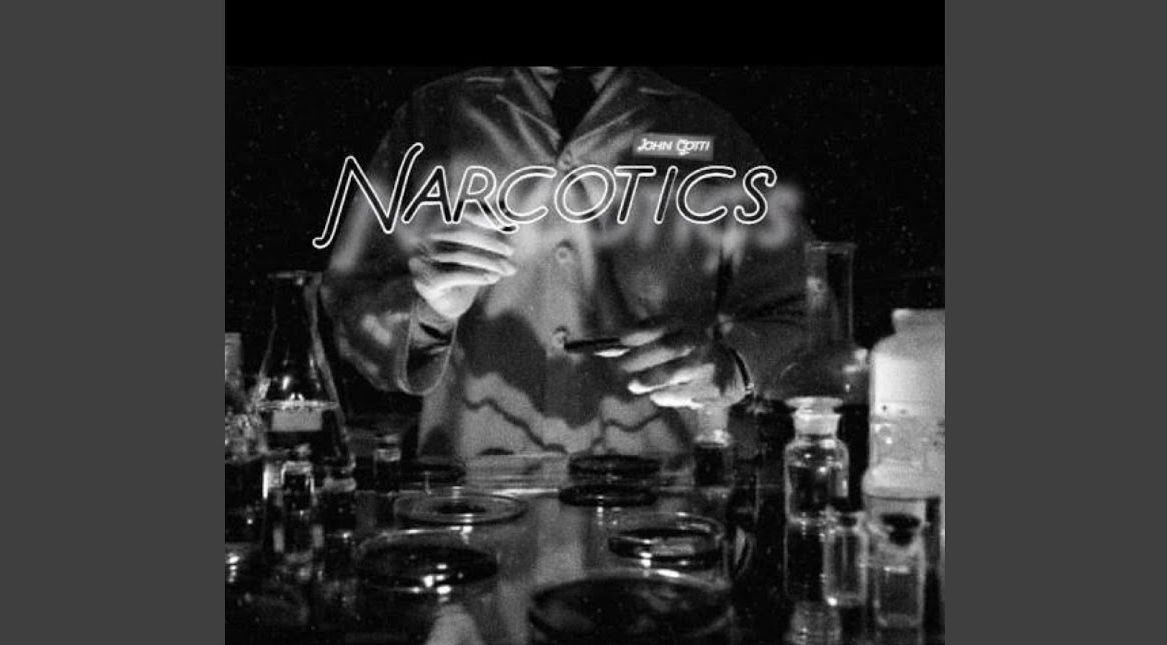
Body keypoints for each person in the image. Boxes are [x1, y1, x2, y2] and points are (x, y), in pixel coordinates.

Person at [322, 66, 815, 462]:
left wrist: (736, 367)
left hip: (659, 502)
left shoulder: (706, 131)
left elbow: (804, 307)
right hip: (473, 498)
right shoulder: (435, 119)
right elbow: (346, 307)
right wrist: (429, 315)